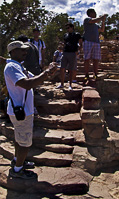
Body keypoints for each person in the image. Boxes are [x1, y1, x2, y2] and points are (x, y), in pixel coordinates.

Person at [5, 41, 59, 179]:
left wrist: (48, 71)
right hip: (22, 111)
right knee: (25, 142)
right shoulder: (12, 67)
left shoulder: (18, 67)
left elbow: (35, 79)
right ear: (13, 52)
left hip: (20, 110)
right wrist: (46, 73)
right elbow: (27, 84)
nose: (25, 52)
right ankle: (17, 171)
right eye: (22, 50)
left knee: (20, 139)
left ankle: (18, 161)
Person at [83, 9, 107, 80]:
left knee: (96, 59)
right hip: (88, 41)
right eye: (94, 13)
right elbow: (94, 20)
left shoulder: (96, 25)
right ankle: (86, 74)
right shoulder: (87, 20)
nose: (96, 14)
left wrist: (103, 22)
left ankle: (95, 74)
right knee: (87, 59)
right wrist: (102, 17)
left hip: (96, 42)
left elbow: (102, 30)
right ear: (91, 13)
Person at [62, 23, 82, 90]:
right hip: (65, 52)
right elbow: (64, 43)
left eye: (68, 28)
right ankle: (62, 84)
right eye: (66, 28)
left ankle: (70, 84)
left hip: (72, 53)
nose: (67, 29)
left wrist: (78, 50)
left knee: (71, 69)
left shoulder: (76, 34)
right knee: (62, 68)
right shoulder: (65, 35)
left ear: (72, 28)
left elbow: (80, 42)